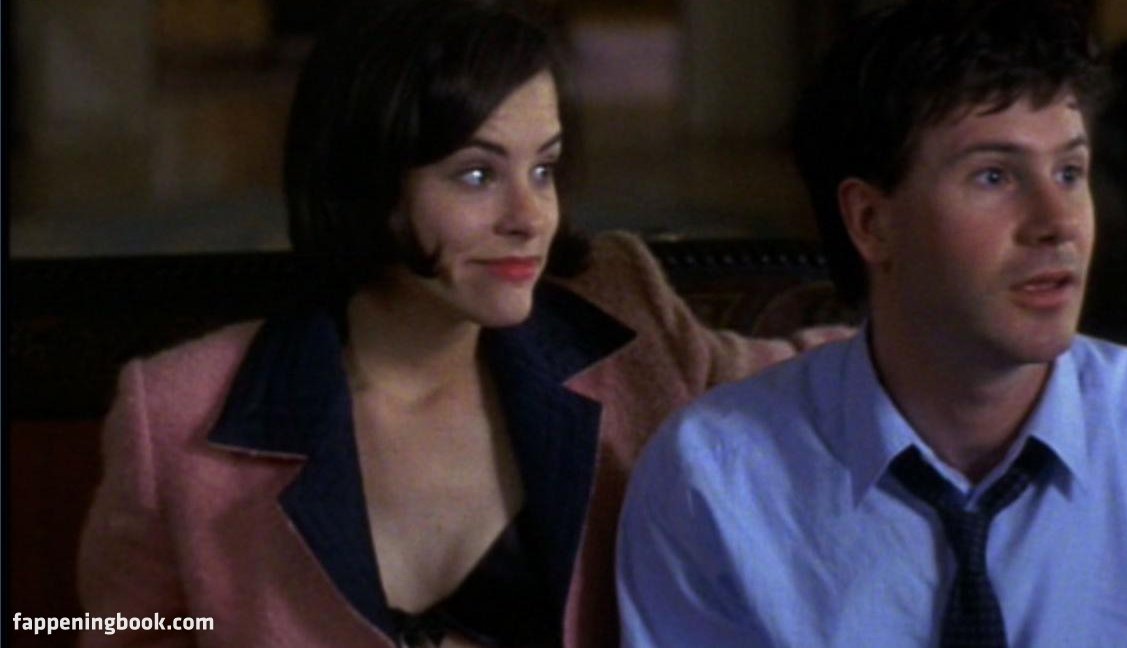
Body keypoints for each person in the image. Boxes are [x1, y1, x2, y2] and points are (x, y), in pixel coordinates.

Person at [77, 1, 848, 646]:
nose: (530, 217)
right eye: (477, 175)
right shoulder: (174, 412)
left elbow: (831, 379)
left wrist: (911, 259)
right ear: (368, 184)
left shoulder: (623, 324)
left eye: (543, 169)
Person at [617, 0, 1127, 646]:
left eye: (1069, 172)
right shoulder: (716, 481)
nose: (1059, 222)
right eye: (994, 176)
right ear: (871, 222)